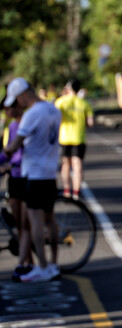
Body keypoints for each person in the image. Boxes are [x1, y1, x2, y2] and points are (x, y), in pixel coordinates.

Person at [2, 77, 62, 282]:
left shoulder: (31, 114)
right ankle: (54, 264)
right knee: (50, 219)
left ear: (22, 95)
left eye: (16, 99)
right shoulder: (54, 109)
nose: (17, 103)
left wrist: (5, 153)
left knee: (34, 220)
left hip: (34, 173)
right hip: (50, 171)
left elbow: (15, 145)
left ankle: (42, 266)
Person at [0, 99, 34, 281]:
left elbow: (21, 153)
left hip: (25, 176)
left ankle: (28, 262)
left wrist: (8, 164)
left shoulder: (27, 124)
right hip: (13, 178)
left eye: (7, 109)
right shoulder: (12, 126)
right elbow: (8, 152)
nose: (6, 112)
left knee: (25, 223)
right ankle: (28, 261)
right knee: (19, 225)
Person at [54, 79, 94, 199]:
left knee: (66, 164)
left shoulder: (60, 102)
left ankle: (67, 190)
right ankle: (76, 191)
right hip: (79, 138)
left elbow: (55, 118)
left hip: (64, 138)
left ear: (68, 88)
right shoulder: (84, 103)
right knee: (78, 165)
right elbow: (90, 123)